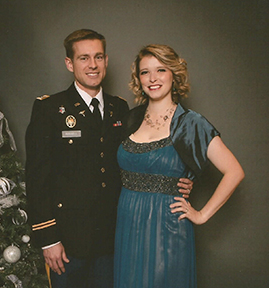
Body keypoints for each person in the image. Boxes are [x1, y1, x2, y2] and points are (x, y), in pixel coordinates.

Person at [25, 30, 193, 288]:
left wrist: (180, 180)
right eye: (84, 58)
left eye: (98, 57)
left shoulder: (121, 109)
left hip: (114, 238)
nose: (93, 65)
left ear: (106, 60)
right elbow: (37, 177)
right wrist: (48, 239)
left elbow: (141, 157)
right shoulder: (50, 109)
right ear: (69, 63)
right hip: (67, 241)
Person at [114, 44, 245, 288]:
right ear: (138, 78)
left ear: (174, 74)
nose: (152, 79)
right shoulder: (130, 118)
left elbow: (234, 171)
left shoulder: (190, 123)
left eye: (160, 70)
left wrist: (202, 214)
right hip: (128, 224)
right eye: (145, 72)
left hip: (167, 228)